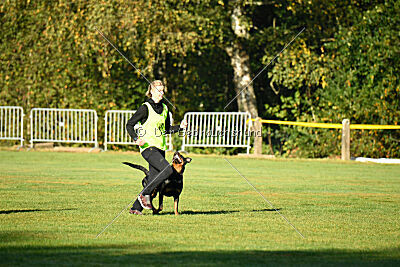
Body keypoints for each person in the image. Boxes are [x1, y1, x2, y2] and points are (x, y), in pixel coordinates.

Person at [126, 80, 187, 215]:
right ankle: (144, 195)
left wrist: (180, 127)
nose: (161, 93)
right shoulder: (145, 107)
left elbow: (166, 130)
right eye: (159, 91)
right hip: (148, 148)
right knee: (167, 171)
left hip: (160, 149)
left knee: (155, 181)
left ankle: (135, 208)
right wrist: (136, 138)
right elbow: (129, 125)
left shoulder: (165, 108)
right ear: (152, 91)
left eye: (163, 91)